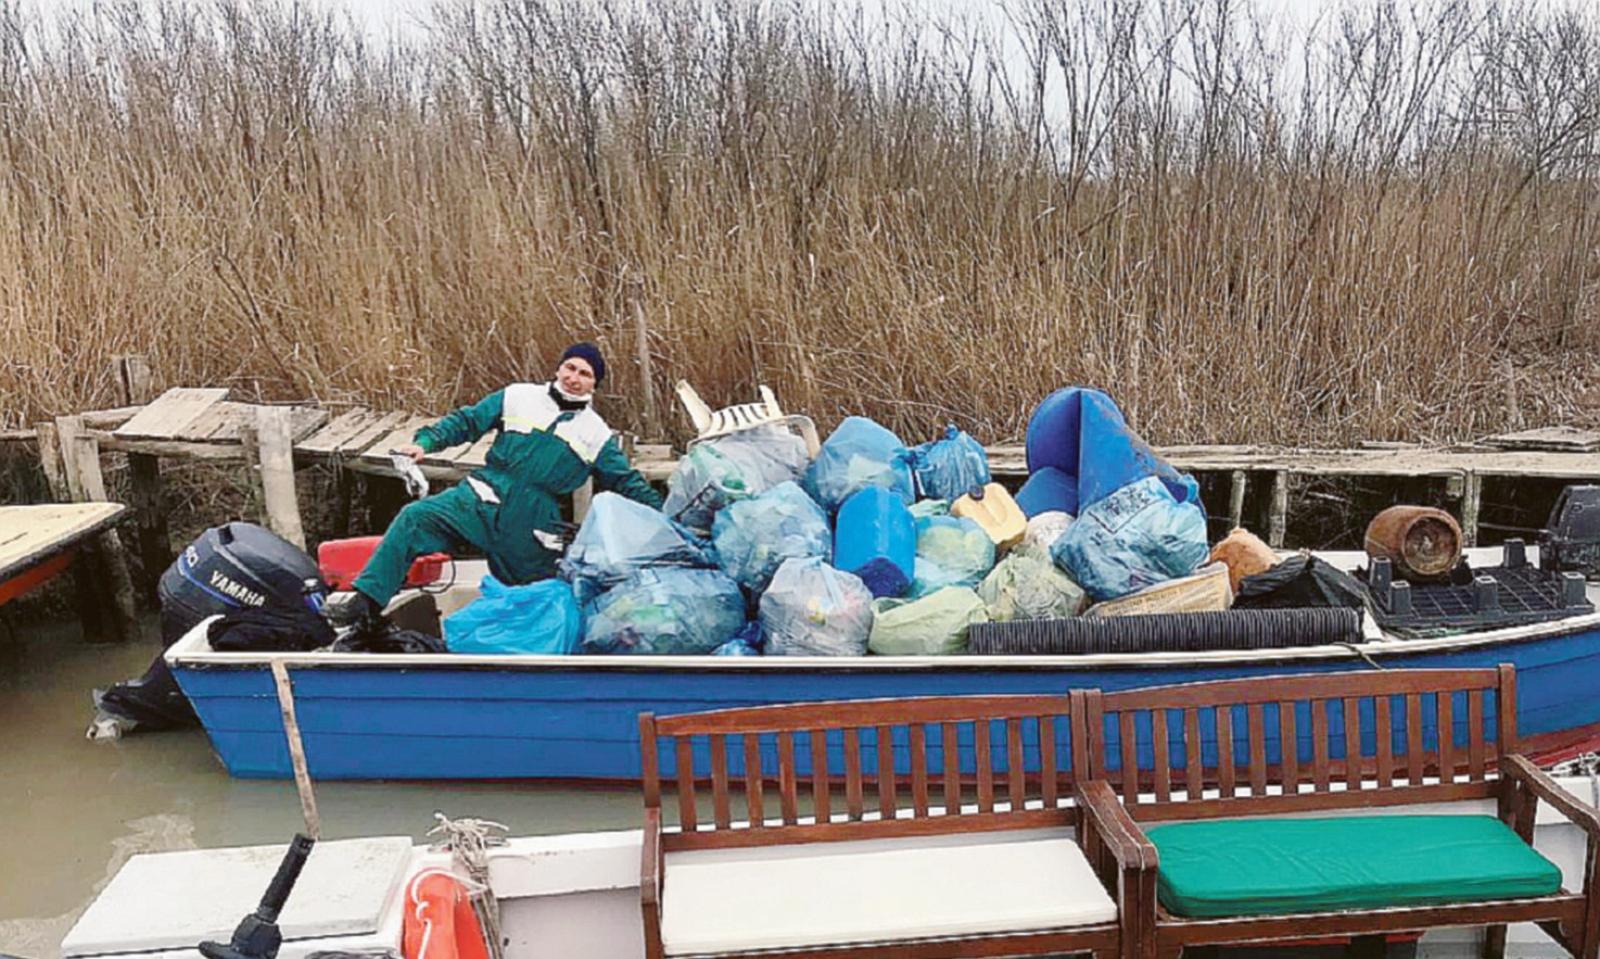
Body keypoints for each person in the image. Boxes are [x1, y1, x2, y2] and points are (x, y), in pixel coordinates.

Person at [325, 342, 663, 627]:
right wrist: (425, 443)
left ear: (595, 385)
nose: (574, 378)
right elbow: (467, 422)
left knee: (540, 600)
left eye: (585, 374)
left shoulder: (597, 433)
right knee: (416, 518)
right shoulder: (518, 396)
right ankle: (366, 603)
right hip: (481, 495)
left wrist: (667, 515)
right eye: (570, 368)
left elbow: (626, 482)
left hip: (533, 522)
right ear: (559, 368)